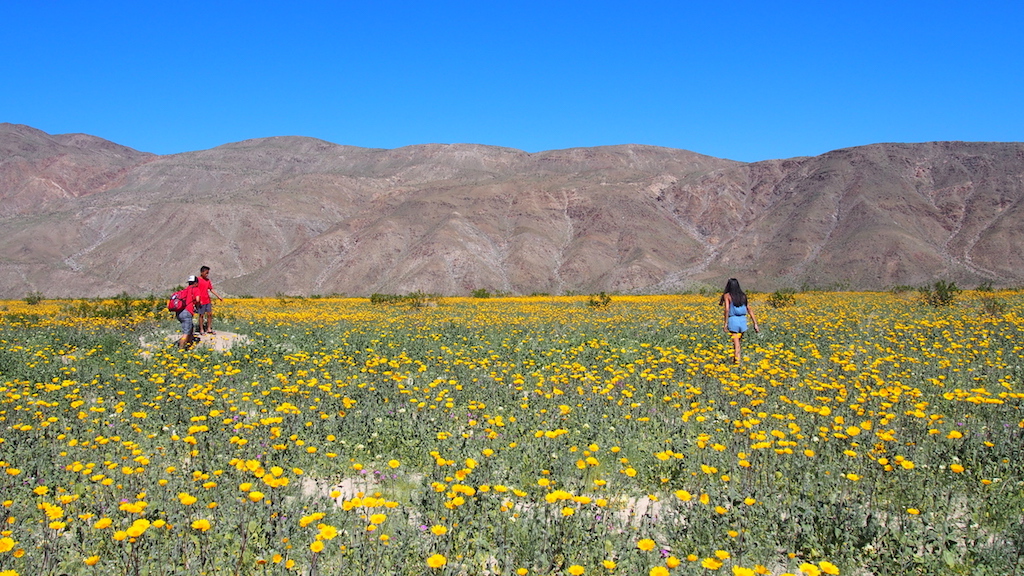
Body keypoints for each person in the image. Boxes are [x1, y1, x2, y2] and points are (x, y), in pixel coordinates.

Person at [719, 278, 759, 364]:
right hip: (743, 321)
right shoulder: (743, 295)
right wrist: (755, 323)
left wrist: (725, 323)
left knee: (736, 344)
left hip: (733, 320)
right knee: (738, 342)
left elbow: (726, 309)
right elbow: (749, 309)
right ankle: (735, 360)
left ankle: (737, 363)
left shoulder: (727, 295)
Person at [174, 276, 201, 349]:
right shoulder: (196, 289)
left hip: (179, 312)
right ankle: (181, 350)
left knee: (191, 327)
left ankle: (189, 343)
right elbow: (198, 300)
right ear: (195, 283)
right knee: (186, 333)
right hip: (187, 312)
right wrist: (197, 306)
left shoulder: (185, 290)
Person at [196, 265, 224, 335]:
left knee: (209, 314)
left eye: (208, 273)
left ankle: (209, 328)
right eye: (206, 273)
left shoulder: (207, 281)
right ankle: (201, 329)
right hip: (200, 300)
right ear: (202, 272)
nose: (207, 274)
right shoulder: (197, 280)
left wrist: (218, 296)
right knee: (201, 315)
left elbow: (211, 289)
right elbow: (194, 289)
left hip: (207, 300)